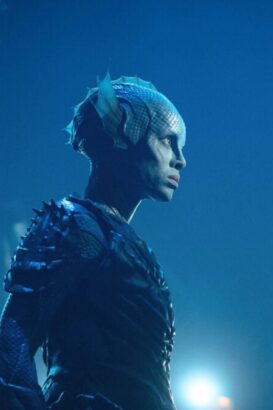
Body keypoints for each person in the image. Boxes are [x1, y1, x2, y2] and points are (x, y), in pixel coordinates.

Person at [0, 75, 186, 409]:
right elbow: (13, 340)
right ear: (124, 135)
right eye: (168, 141)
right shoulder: (76, 225)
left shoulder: (123, 241)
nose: (180, 159)